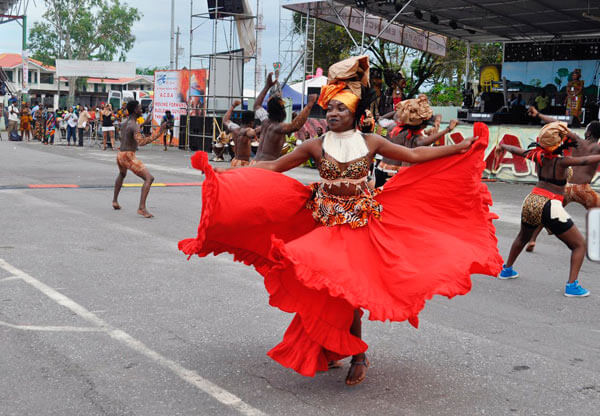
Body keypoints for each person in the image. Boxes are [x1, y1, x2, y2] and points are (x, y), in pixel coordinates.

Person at [179, 55, 502, 386]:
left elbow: (416, 156)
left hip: (362, 224)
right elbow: (275, 167)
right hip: (327, 224)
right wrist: (234, 172)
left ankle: (358, 355)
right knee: (331, 291)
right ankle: (337, 346)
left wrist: (460, 147)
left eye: (340, 109)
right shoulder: (315, 145)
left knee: (352, 293)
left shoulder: (371, 142)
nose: (333, 114)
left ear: (355, 113)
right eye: (330, 108)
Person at [496, 121, 600, 297]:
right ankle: (572, 286)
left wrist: (502, 146)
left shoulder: (537, 156)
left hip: (532, 200)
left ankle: (506, 270)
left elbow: (516, 150)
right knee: (579, 245)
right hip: (550, 205)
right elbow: (585, 160)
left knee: (522, 237)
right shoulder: (562, 162)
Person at [524, 107, 600, 252]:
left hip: (565, 187)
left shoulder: (577, 141)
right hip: (583, 189)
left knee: (546, 214)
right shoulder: (597, 149)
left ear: (588, 132)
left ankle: (532, 240)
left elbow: (557, 124)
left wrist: (539, 114)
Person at [374, 96, 458, 187]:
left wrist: (402, 111)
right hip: (393, 174)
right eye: (425, 125)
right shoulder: (414, 137)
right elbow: (423, 142)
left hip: (379, 169)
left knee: (376, 199)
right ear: (421, 125)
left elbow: (380, 119)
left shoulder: (391, 126)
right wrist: (447, 129)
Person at [112, 100, 168, 218]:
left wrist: (143, 124)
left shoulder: (125, 123)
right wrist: (160, 131)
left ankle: (115, 201)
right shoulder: (134, 125)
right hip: (128, 156)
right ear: (134, 110)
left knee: (122, 174)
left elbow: (129, 131)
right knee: (149, 178)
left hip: (120, 154)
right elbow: (141, 142)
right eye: (139, 108)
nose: (141, 109)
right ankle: (141, 208)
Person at [252, 72, 317, 163]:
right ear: (282, 111)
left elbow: (257, 105)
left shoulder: (265, 121)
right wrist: (309, 105)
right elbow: (296, 126)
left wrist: (267, 86)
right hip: (266, 166)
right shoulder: (279, 127)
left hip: (255, 163)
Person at [223, 100, 256, 167]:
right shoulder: (248, 130)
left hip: (235, 161)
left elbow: (225, 120)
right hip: (242, 163)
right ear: (251, 122)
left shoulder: (235, 128)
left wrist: (233, 106)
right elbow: (251, 133)